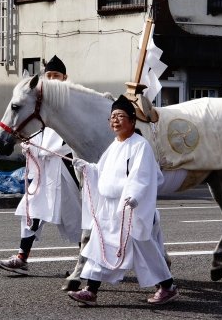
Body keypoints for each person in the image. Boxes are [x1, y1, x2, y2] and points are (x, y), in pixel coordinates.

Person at [67, 95, 178, 306]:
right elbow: (102, 172)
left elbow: (142, 176)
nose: (115, 120)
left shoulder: (140, 145)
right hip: (109, 209)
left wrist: (133, 197)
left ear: (133, 121)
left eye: (120, 116)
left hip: (130, 208)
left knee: (144, 249)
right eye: (112, 117)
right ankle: (90, 290)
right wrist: (88, 169)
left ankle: (167, 286)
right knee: (100, 246)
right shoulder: (114, 146)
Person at [0, 55, 81, 274]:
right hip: (42, 170)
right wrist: (29, 146)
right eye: (49, 76)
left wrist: (57, 150)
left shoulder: (72, 103)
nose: (52, 79)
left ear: (65, 78)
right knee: (31, 210)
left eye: (56, 76)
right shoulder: (38, 103)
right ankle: (22, 257)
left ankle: (86, 262)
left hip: (65, 169)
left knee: (75, 215)